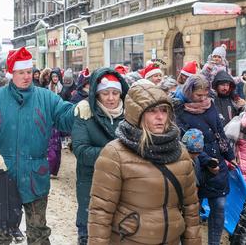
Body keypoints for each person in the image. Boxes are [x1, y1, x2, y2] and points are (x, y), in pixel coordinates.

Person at [0, 47, 90, 245]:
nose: (26, 77)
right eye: (20, 72)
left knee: (39, 233)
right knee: (0, 235)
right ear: (12, 74)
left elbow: (64, 118)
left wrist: (78, 109)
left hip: (35, 178)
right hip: (1, 178)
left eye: (28, 72)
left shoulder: (45, 98)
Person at [88, 83, 201, 244]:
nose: (160, 117)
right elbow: (101, 212)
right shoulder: (115, 154)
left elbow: (191, 209)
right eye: (152, 111)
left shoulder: (181, 153)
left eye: (164, 110)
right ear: (137, 114)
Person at [174, 74, 235, 245]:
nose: (202, 99)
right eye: (198, 95)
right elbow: (184, 142)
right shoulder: (179, 110)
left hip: (217, 161)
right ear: (188, 92)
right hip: (196, 166)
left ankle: (214, 243)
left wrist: (229, 155)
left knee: (220, 206)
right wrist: (207, 161)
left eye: (205, 94)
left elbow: (219, 132)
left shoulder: (210, 105)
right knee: (192, 210)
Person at [72, 68, 129, 245]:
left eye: (115, 93)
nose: (111, 98)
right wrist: (117, 155)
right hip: (92, 187)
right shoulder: (85, 115)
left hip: (124, 191)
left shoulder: (130, 117)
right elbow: (81, 151)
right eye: (105, 93)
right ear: (97, 95)